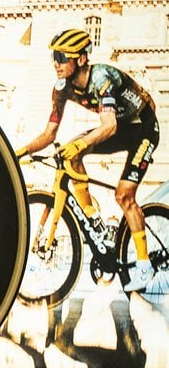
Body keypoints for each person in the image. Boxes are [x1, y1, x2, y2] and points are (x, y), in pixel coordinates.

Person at [17, 28, 161, 292]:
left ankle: (144, 264)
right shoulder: (61, 89)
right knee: (70, 151)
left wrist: (83, 143)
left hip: (143, 129)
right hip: (120, 126)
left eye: (62, 56)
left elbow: (109, 127)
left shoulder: (102, 78)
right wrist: (20, 152)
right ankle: (94, 220)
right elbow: (50, 134)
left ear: (81, 59)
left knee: (124, 195)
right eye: (54, 56)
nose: (56, 63)